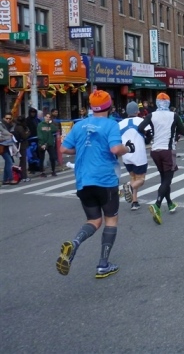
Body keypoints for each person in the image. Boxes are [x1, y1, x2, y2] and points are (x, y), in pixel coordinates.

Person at [57, 90, 136, 279]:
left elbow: (64, 148)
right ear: (110, 106)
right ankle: (103, 264)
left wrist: (82, 149)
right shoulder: (111, 124)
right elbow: (115, 149)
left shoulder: (79, 125)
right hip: (105, 179)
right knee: (110, 220)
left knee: (93, 220)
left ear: (91, 107)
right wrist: (128, 148)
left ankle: (75, 243)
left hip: (83, 180)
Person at [137, 93, 184, 225]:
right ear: (168, 103)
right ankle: (157, 204)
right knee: (167, 180)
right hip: (168, 150)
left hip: (155, 150)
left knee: (164, 179)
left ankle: (170, 203)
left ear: (157, 102)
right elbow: (183, 131)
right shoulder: (174, 115)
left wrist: (149, 135)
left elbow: (140, 128)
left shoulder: (151, 115)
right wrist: (175, 135)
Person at [118, 101, 150, 211]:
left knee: (133, 177)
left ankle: (134, 201)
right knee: (141, 180)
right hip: (139, 155)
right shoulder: (141, 121)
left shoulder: (120, 124)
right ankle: (128, 187)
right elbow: (149, 136)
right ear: (137, 111)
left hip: (126, 155)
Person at [37, 113, 58, 177]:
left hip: (50, 143)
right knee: (41, 158)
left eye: (49, 117)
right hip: (42, 144)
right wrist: (42, 143)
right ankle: (42, 172)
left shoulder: (50, 125)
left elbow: (55, 129)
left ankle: (53, 171)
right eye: (47, 117)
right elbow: (39, 134)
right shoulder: (40, 125)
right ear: (44, 117)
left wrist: (51, 124)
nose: (48, 118)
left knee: (53, 157)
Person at [13, 116, 31, 182]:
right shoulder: (20, 127)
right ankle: (24, 176)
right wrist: (28, 132)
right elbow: (24, 136)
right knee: (23, 161)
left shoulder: (17, 126)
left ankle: (21, 175)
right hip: (21, 145)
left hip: (20, 145)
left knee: (22, 161)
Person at [1, 115, 17, 185]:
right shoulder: (1, 125)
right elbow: (3, 134)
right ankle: (10, 179)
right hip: (2, 146)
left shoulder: (10, 125)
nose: (8, 120)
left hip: (8, 145)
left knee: (8, 162)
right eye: (7, 118)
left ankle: (5, 179)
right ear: (4, 118)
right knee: (9, 162)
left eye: (10, 118)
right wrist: (8, 136)